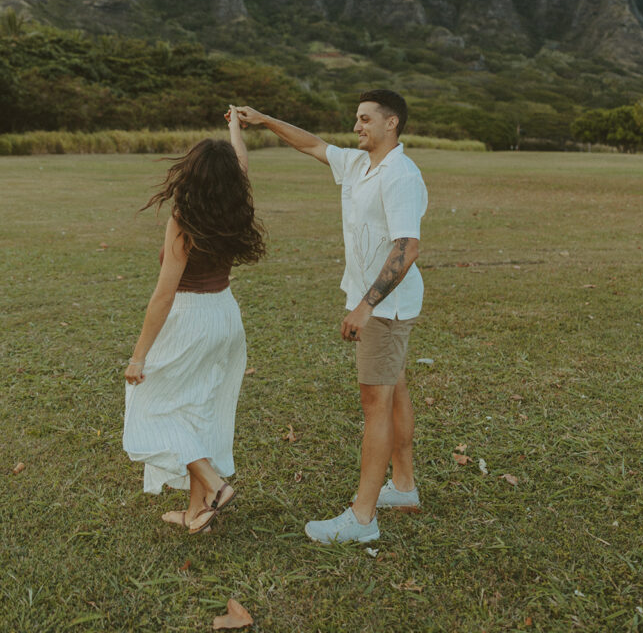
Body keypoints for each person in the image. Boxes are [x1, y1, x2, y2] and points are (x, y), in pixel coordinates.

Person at [236, 89, 427, 544]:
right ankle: (402, 488)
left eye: (365, 119)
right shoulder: (361, 164)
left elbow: (407, 246)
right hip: (382, 304)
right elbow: (312, 145)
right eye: (356, 119)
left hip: (385, 307)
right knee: (394, 388)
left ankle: (362, 519)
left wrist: (366, 305)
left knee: (375, 403)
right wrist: (264, 119)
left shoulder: (400, 175)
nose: (356, 126)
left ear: (391, 123)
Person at [122, 109, 265, 534]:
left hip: (189, 318)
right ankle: (195, 511)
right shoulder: (234, 206)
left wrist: (138, 356)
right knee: (198, 409)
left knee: (152, 405)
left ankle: (216, 485)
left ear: (192, 174)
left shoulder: (184, 221)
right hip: (225, 314)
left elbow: (164, 294)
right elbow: (241, 162)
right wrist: (235, 129)